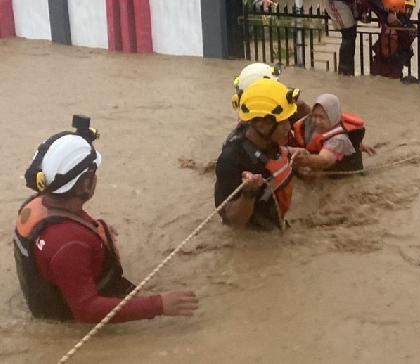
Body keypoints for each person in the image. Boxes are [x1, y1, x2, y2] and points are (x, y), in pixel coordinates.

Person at [14, 117, 198, 322]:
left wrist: (93, 231)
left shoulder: (37, 205)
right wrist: (159, 305)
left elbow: (59, 236)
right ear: (84, 184)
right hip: (71, 319)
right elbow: (87, 310)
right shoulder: (69, 244)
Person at [215, 79, 299, 230]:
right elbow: (232, 221)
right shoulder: (232, 159)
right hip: (254, 241)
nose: (289, 127)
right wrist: (248, 194)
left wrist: (293, 153)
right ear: (262, 125)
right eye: (284, 122)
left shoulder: (270, 140)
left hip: (278, 224)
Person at [291, 94, 367, 174]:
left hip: (340, 177)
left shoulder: (339, 139)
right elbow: (306, 114)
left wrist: (305, 160)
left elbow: (326, 160)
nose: (317, 121)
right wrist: (300, 104)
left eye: (321, 117)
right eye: (315, 116)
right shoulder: (312, 122)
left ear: (333, 116)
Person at [370, 0, 418, 82]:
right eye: (405, 8)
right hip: (384, 62)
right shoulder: (388, 19)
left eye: (410, 9)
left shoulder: (389, 19)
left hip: (391, 64)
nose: (407, 11)